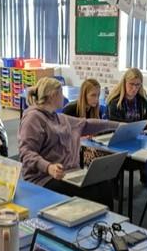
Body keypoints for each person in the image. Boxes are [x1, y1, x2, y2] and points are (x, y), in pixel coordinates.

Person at [19, 77, 118, 209]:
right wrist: (48, 167)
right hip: (43, 178)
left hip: (67, 173)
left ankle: (107, 221)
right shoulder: (32, 118)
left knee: (103, 185)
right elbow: (26, 152)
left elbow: (86, 124)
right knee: (92, 192)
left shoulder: (58, 117)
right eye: (61, 93)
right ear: (53, 96)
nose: (64, 97)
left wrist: (117, 126)